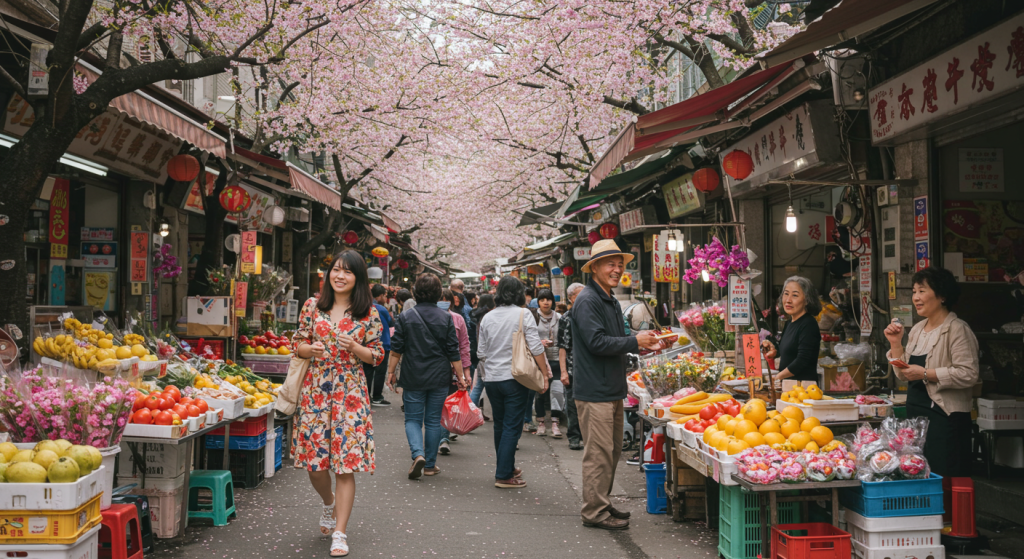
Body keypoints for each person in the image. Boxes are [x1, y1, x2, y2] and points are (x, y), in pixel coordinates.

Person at [291, 250, 385, 557]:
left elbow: (377, 355)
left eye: (348, 271)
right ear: (328, 273)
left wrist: (356, 347)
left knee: (346, 465)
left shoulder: (368, 312)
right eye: (336, 270)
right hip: (316, 390)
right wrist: (310, 349)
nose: (340, 276)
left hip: (350, 394)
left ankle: (340, 533)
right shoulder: (312, 305)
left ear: (358, 278)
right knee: (315, 465)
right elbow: (297, 343)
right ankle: (328, 502)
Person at [573, 239, 663, 530]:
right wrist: (635, 341)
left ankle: (601, 501)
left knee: (610, 452)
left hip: (610, 387)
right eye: (610, 264)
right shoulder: (588, 300)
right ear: (595, 267)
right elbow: (597, 342)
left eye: (620, 264)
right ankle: (594, 512)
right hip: (594, 390)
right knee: (598, 454)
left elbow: (615, 341)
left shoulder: (608, 298)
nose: (617, 269)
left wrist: (642, 345)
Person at [884, 267, 978, 478]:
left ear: (942, 296)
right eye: (914, 292)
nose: (916, 297)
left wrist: (926, 373)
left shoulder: (957, 329)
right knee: (918, 475)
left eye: (922, 291)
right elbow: (903, 374)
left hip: (945, 420)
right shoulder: (917, 330)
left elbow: (969, 374)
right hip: (916, 420)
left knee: (944, 478)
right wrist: (896, 343)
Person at [387, 274, 470, 481]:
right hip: (439, 375)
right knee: (433, 420)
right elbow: (453, 351)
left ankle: (418, 455)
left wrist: (391, 372)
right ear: (438, 293)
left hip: (413, 374)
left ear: (415, 292)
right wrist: (461, 376)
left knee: (413, 419)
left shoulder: (406, 316)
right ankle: (430, 465)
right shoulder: (446, 317)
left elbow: (396, 348)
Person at [477, 276, 551, 488]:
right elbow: (536, 347)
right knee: (512, 426)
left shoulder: (488, 317)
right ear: (518, 293)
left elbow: (481, 352)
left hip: (492, 379)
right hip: (515, 378)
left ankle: (506, 467)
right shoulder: (523, 314)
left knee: (500, 424)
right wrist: (544, 373)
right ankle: (503, 475)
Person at [760, 276, 822, 381]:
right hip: (789, 386)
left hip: (803, 387)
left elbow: (802, 360)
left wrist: (778, 377)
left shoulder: (809, 324)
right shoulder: (789, 323)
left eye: (795, 295)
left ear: (807, 300)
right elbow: (788, 353)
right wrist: (774, 350)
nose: (788, 300)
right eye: (786, 294)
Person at [439, 288, 472, 455]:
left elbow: (464, 346)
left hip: (453, 369)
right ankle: (438, 437)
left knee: (446, 404)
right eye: (441, 300)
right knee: (435, 405)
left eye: (447, 300)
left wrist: (466, 372)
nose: (444, 303)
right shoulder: (427, 317)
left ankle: (443, 439)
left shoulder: (458, 319)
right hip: (433, 369)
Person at [557, 282, 585, 450]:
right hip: (572, 368)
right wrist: (563, 372)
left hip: (590, 370)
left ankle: (586, 436)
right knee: (573, 405)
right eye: (579, 295)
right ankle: (574, 436)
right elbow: (562, 347)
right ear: (571, 298)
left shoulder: (592, 314)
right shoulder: (566, 318)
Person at [532, 289, 564, 437]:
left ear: (553, 301)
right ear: (538, 302)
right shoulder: (533, 317)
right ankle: (541, 423)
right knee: (540, 391)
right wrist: (540, 342)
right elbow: (528, 338)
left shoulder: (559, 318)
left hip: (557, 359)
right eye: (542, 299)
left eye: (548, 299)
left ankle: (555, 423)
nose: (546, 302)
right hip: (539, 360)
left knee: (557, 391)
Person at [364, 284, 393, 407]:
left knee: (368, 371)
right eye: (385, 295)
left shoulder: (364, 307)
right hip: (383, 343)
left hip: (366, 344)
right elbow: (391, 322)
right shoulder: (381, 309)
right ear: (380, 295)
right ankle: (377, 396)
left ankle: (366, 396)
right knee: (380, 372)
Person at [469, 294, 495, 414]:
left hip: (480, 355)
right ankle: (471, 411)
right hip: (488, 356)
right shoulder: (488, 317)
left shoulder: (477, 315)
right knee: (481, 386)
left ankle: (469, 411)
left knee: (478, 386)